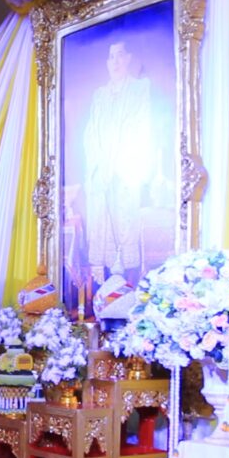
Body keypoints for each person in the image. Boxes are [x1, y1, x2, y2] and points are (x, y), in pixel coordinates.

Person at [83, 39, 156, 286]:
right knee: (102, 223)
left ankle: (129, 284)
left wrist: (119, 163)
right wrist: (99, 165)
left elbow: (140, 126)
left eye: (120, 55)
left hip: (126, 170)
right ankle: (103, 287)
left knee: (126, 222)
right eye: (112, 56)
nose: (116, 61)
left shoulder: (139, 88)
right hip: (102, 170)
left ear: (128, 58)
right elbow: (91, 134)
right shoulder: (100, 95)